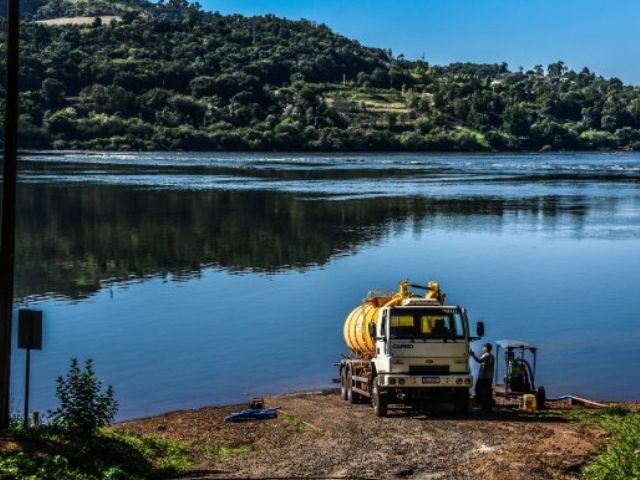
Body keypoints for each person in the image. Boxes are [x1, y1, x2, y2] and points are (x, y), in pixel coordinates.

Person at [470, 343, 495, 412]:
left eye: (483, 347)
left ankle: (484, 406)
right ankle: (487, 407)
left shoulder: (486, 355)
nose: (482, 349)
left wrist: (472, 355)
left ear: (486, 348)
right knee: (487, 392)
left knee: (478, 389)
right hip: (489, 377)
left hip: (483, 377)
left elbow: (479, 361)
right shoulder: (492, 356)